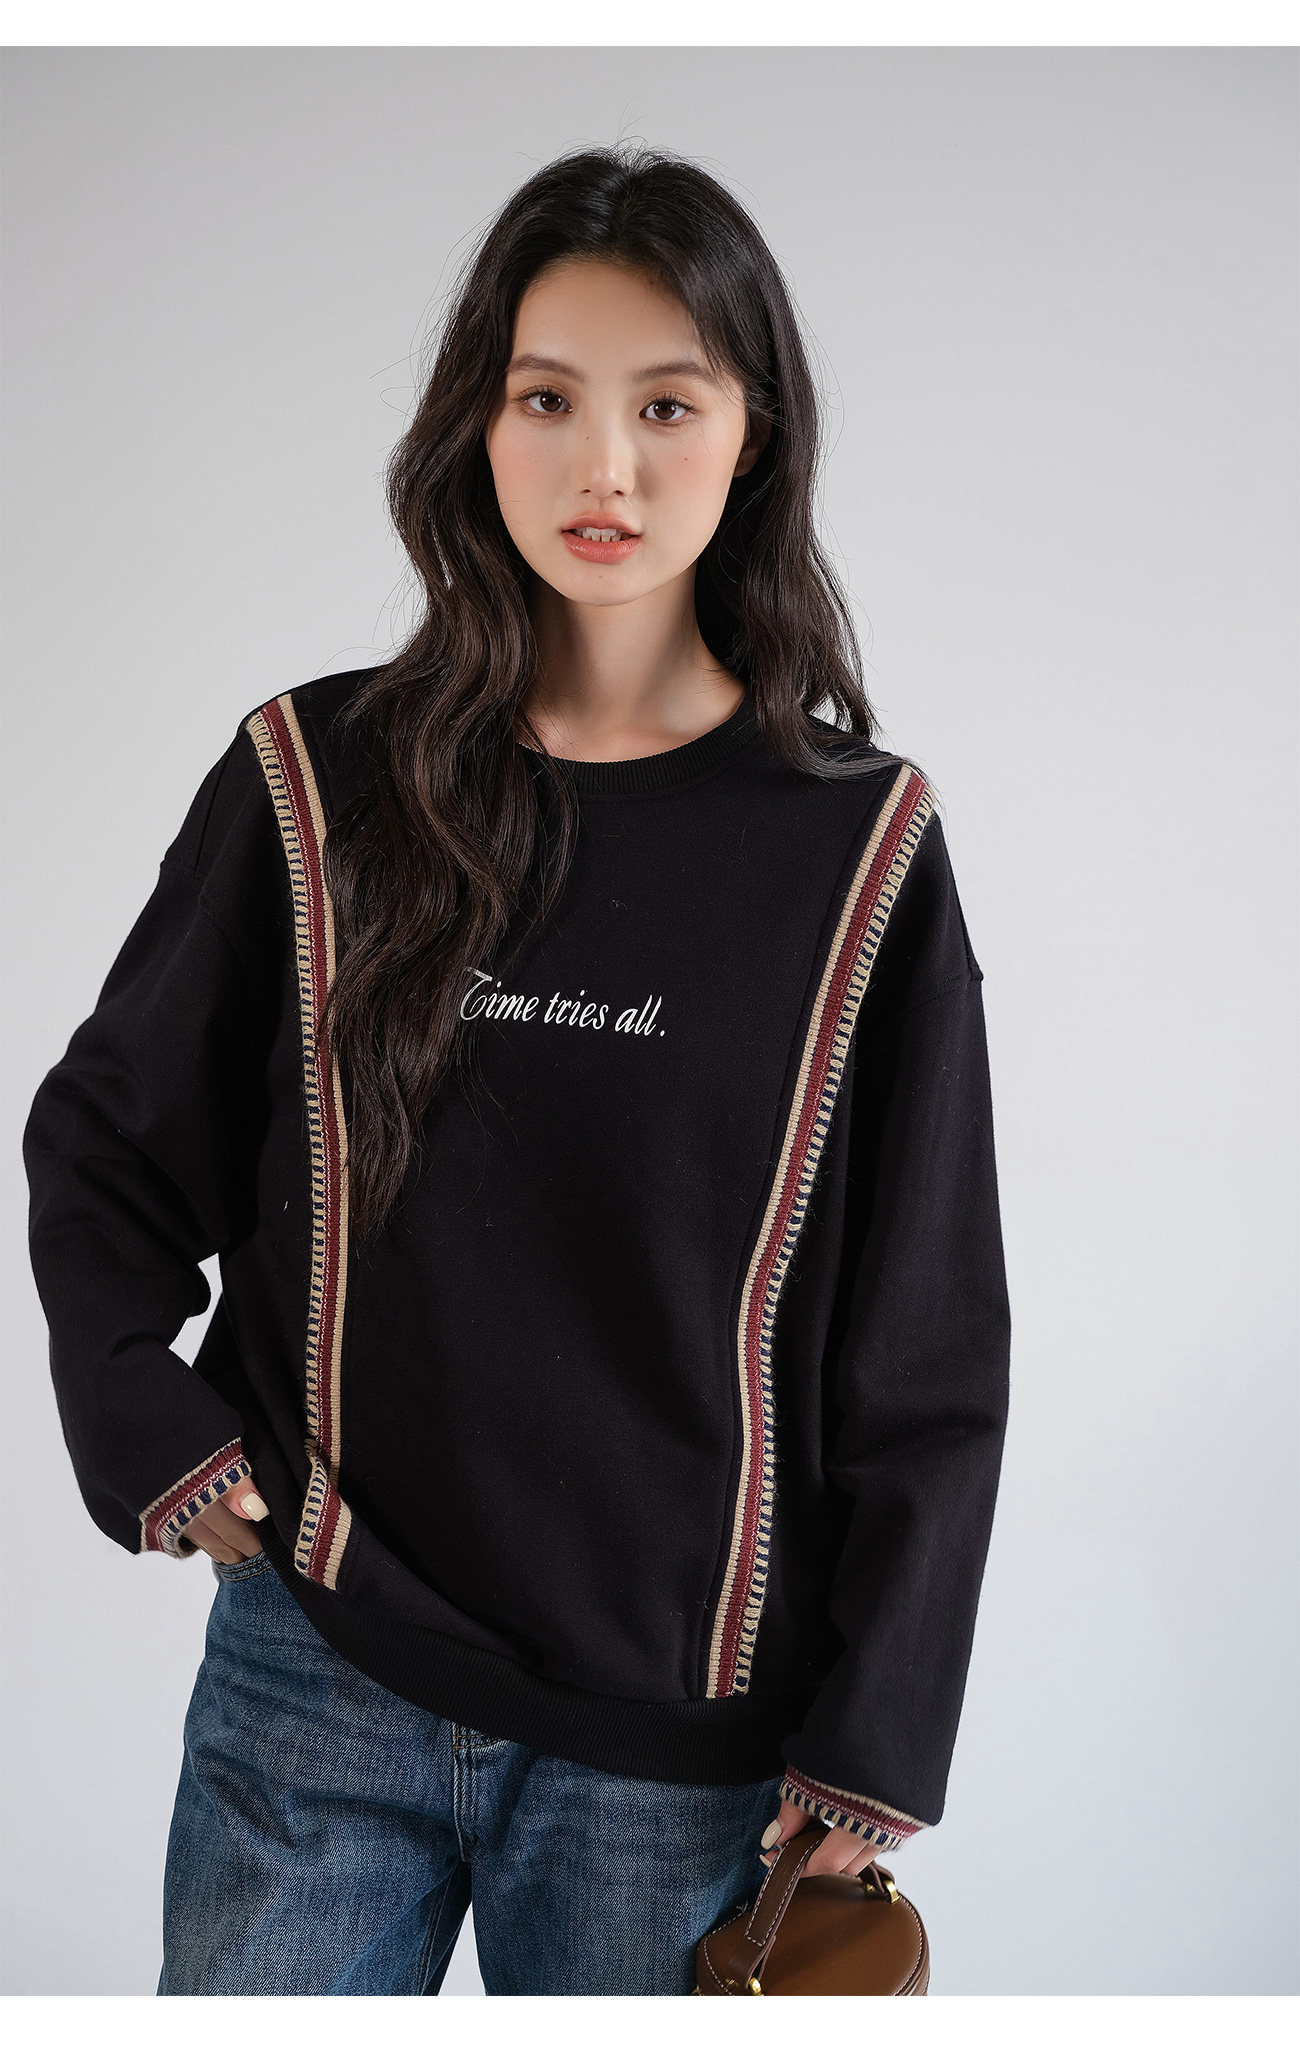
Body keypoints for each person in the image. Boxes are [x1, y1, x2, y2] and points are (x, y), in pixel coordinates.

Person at [22, 143, 1012, 1997]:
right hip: (316, 1678)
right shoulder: (316, 783)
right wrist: (140, 1419)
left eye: (666, 405)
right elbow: (107, 1140)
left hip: (678, 1749)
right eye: (546, 399)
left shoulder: (858, 850)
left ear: (755, 435)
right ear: (476, 425)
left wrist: (878, 1733)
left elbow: (928, 1341)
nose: (602, 468)